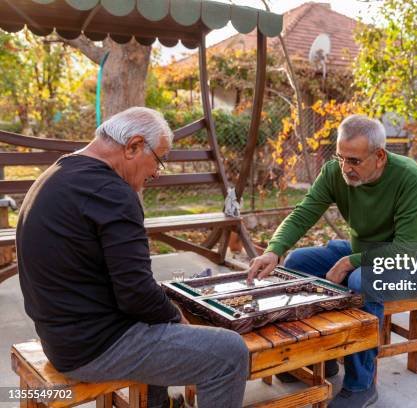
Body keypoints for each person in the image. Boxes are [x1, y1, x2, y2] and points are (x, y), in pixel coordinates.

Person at [17, 107, 248, 408]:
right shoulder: (113, 193)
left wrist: (164, 309)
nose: (156, 172)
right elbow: (136, 295)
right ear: (133, 146)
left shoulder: (59, 172)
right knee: (229, 354)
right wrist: (176, 317)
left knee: (161, 306)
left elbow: (130, 287)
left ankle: (157, 404)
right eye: (159, 159)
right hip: (92, 348)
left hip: (60, 336)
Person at [247, 114, 417, 408]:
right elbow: (304, 212)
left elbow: (407, 248)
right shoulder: (336, 171)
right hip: (363, 252)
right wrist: (274, 249)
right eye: (340, 157)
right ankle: (326, 356)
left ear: (380, 156)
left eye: (354, 161)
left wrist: (352, 261)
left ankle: (361, 384)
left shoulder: (409, 177)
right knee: (297, 261)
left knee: (361, 279)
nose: (345, 167)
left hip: (411, 264)